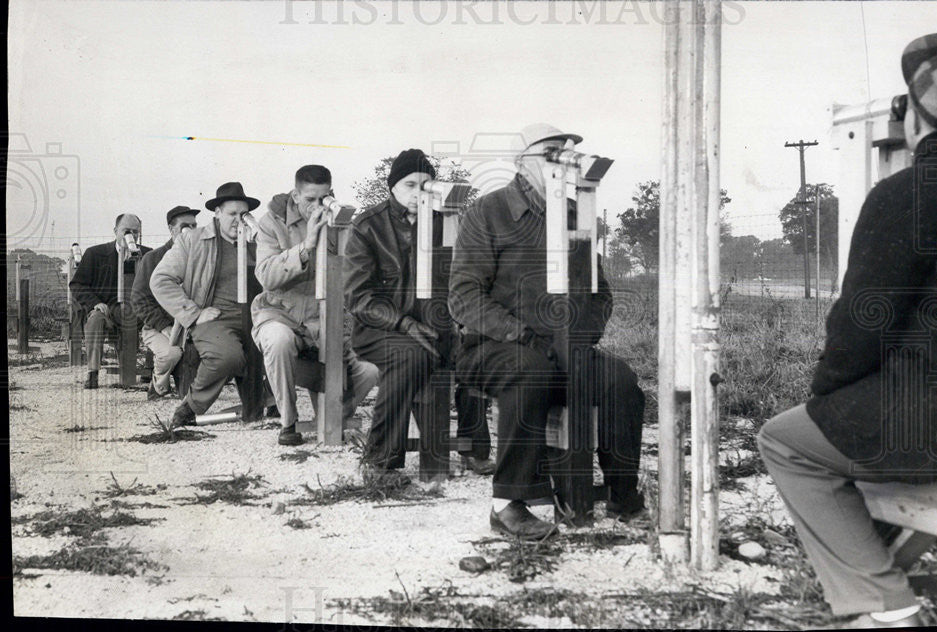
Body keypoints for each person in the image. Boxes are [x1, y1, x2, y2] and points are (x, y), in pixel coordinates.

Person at [757, 33, 937, 629]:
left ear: (912, 117)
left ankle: (885, 606)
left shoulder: (905, 194)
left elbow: (863, 325)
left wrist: (828, 393)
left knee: (788, 440)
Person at [449, 123, 646, 540]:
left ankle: (622, 494)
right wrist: (520, 333)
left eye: (569, 153)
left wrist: (583, 335)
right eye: (552, 152)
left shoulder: (576, 213)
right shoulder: (488, 211)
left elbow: (600, 291)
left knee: (620, 380)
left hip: (564, 347)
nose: (565, 161)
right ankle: (507, 504)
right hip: (492, 346)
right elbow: (464, 296)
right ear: (523, 163)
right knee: (530, 369)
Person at [344, 149, 494, 485]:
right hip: (380, 329)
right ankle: (379, 461)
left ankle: (474, 447)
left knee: (475, 349)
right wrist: (403, 322)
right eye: (410, 184)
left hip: (436, 324)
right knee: (410, 355)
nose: (418, 192)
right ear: (392, 186)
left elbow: (465, 279)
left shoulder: (447, 221)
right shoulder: (368, 226)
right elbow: (358, 297)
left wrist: (463, 321)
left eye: (427, 185)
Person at [251, 165, 379, 447]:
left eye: (323, 198)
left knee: (370, 369)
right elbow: (266, 276)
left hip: (325, 318)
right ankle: (288, 421)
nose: (316, 206)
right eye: (310, 199)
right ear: (295, 195)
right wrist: (306, 247)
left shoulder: (340, 222)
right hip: (280, 313)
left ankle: (333, 415)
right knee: (278, 339)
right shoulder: (271, 222)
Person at [151, 182, 260, 429]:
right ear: (217, 213)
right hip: (214, 318)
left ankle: (267, 402)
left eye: (244, 215)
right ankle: (191, 406)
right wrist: (194, 313)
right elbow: (160, 280)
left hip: (254, 316)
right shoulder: (193, 240)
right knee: (227, 356)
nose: (238, 221)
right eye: (232, 214)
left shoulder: (256, 241)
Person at [69, 213, 151, 389]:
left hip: (136, 312)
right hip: (107, 311)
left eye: (135, 232)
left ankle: (149, 369)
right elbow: (77, 284)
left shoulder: (147, 255)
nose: (131, 236)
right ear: (116, 231)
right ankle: (93, 372)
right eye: (126, 231)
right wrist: (95, 303)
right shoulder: (95, 254)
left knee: (157, 319)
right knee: (95, 320)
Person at [131, 205, 199, 400]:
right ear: (172, 229)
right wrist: (164, 326)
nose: (191, 231)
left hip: (190, 325)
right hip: (159, 327)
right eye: (185, 226)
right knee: (171, 353)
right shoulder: (153, 259)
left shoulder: (203, 256)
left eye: (194, 226)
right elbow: (139, 299)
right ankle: (158, 384)